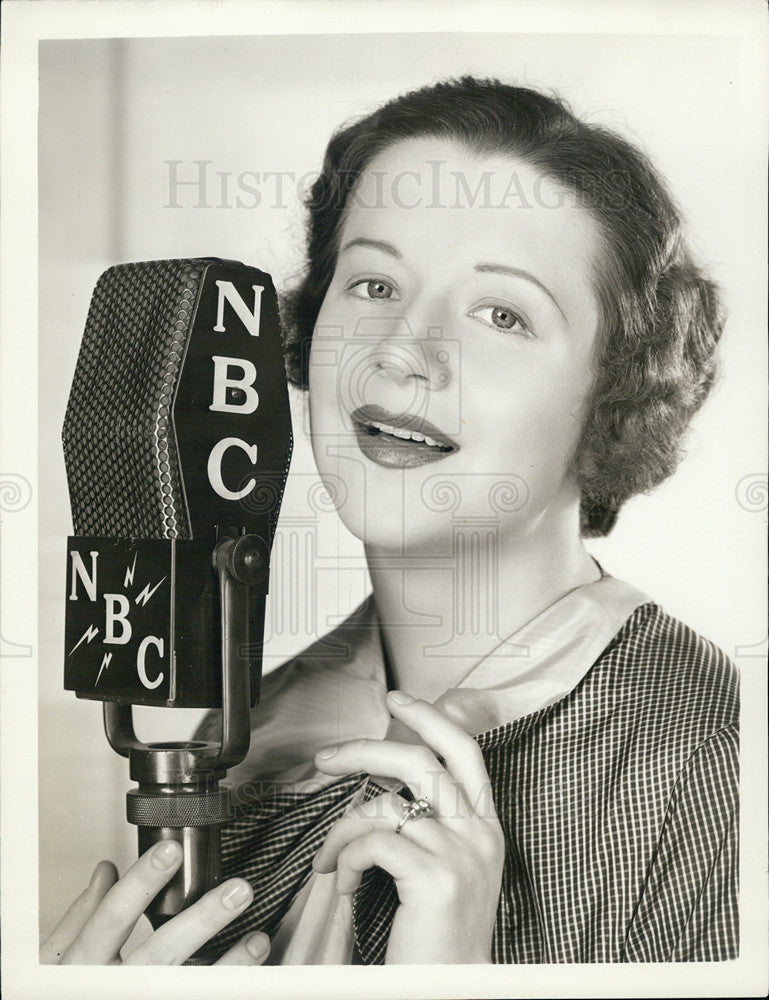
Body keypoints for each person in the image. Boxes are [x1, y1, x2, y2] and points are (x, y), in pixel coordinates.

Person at [41, 76, 738, 966]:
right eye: (372, 283)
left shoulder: (709, 769)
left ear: (616, 397)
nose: (402, 351)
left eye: (501, 314)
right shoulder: (240, 749)